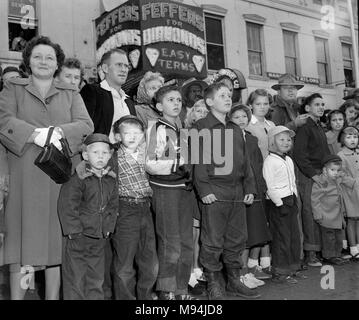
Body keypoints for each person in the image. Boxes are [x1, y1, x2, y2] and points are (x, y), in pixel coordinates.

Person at [0, 36, 94, 300]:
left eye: (49, 57)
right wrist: (34, 134)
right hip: (22, 178)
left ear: (57, 64)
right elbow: (3, 119)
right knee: (21, 245)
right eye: (38, 56)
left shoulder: (70, 92)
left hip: (58, 179)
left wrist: (58, 132)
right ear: (28, 61)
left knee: (55, 248)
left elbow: (86, 126)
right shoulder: (12, 88)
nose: (43, 61)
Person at [193, 83, 260, 300]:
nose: (228, 98)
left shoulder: (235, 129)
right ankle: (213, 282)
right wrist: (204, 188)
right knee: (212, 239)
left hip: (237, 192)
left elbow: (245, 162)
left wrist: (249, 187)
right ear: (209, 102)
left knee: (236, 238)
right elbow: (197, 161)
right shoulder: (199, 126)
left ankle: (233, 280)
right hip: (215, 191)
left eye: (229, 95)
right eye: (222, 95)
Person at [145, 86, 195, 300]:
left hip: (184, 190)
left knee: (186, 242)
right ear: (159, 106)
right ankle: (166, 290)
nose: (176, 103)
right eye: (170, 100)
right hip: (165, 190)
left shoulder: (183, 129)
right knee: (169, 241)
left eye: (179, 100)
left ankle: (181, 289)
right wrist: (175, 166)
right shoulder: (156, 128)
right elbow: (149, 164)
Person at [58, 133, 118, 300]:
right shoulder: (78, 178)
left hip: (99, 237)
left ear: (110, 155)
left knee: (96, 277)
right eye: (95, 152)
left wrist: (108, 228)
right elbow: (68, 205)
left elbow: (113, 205)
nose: (100, 157)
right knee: (75, 278)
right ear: (85, 155)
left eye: (105, 153)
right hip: (78, 236)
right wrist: (73, 231)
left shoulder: (111, 178)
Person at [111, 115, 158, 300]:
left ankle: (145, 297)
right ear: (117, 136)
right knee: (124, 264)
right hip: (125, 208)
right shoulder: (113, 156)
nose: (132, 137)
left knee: (150, 262)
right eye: (127, 133)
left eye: (137, 133)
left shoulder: (149, 155)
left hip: (146, 209)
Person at [229, 104, 271, 288]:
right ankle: (239, 274)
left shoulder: (252, 139)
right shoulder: (228, 138)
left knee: (253, 233)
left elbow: (258, 165)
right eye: (236, 117)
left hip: (255, 190)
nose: (241, 120)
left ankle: (247, 271)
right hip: (239, 192)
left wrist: (261, 189)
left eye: (243, 117)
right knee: (240, 235)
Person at [293, 93, 330, 268]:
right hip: (308, 176)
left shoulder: (319, 126)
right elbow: (299, 155)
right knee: (308, 213)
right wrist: (314, 175)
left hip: (321, 174)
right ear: (307, 108)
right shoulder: (304, 127)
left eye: (322, 104)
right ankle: (310, 254)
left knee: (319, 212)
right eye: (317, 104)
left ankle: (319, 251)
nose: (321, 107)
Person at [263, 126, 302, 284]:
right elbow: (269, 185)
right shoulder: (270, 161)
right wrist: (279, 203)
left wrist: (295, 198)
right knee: (281, 238)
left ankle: (292, 268)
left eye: (288, 139)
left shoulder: (289, 159)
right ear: (272, 142)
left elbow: (292, 181)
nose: (286, 142)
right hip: (279, 203)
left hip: (291, 200)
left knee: (293, 236)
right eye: (281, 139)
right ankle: (280, 272)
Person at [80, 48, 137, 143]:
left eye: (126, 66)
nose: (124, 70)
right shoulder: (93, 92)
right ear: (105, 68)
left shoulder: (129, 101)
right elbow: (84, 127)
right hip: (101, 154)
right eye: (119, 65)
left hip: (127, 155)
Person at [184, 99, 208, 296]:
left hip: (207, 188)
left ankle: (199, 269)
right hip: (190, 189)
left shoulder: (213, 135)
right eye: (197, 110)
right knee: (191, 234)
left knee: (202, 234)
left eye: (204, 110)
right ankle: (190, 273)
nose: (200, 113)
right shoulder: (185, 134)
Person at [311, 155, 353, 266]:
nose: (335, 172)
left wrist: (342, 175)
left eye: (338, 170)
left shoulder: (337, 179)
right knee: (329, 238)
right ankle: (329, 256)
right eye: (332, 170)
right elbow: (315, 200)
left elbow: (350, 183)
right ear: (325, 170)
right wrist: (317, 215)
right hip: (326, 216)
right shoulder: (320, 183)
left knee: (338, 236)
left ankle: (337, 254)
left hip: (337, 216)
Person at [337, 126, 359, 260]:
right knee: (351, 219)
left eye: (355, 137)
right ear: (342, 139)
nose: (352, 140)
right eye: (349, 137)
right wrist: (353, 182)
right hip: (349, 192)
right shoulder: (341, 155)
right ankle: (353, 248)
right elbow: (340, 174)